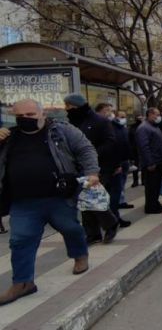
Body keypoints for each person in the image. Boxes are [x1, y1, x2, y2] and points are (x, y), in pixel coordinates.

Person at [0, 99, 99, 306]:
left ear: (42, 114)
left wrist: (92, 172)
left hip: (59, 197)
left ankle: (80, 254)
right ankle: (23, 283)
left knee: (71, 228)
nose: (25, 119)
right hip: (23, 201)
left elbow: (85, 149)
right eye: (20, 116)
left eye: (30, 115)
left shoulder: (61, 131)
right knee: (20, 240)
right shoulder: (8, 137)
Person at [64, 94, 119, 244]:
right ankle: (93, 233)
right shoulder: (72, 122)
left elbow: (110, 142)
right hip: (78, 167)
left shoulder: (99, 121)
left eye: (69, 106)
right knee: (84, 201)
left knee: (94, 198)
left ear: (77, 106)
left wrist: (91, 154)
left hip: (99, 166)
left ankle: (110, 223)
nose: (66, 109)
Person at [95, 104, 132, 228]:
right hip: (104, 168)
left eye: (111, 111)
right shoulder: (97, 126)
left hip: (117, 165)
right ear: (99, 112)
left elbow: (119, 145)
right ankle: (107, 221)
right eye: (107, 111)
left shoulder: (114, 126)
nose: (110, 114)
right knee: (104, 197)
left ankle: (115, 218)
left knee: (115, 195)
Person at [135, 108, 162, 214]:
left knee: (156, 185)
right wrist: (150, 162)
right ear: (149, 114)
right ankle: (151, 207)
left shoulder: (153, 126)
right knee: (151, 186)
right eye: (157, 115)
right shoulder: (143, 128)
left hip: (159, 161)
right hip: (152, 163)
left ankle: (155, 203)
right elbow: (144, 147)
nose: (159, 117)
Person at [115, 111, 135, 210]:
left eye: (125, 116)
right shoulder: (113, 129)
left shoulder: (125, 129)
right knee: (118, 183)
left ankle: (121, 201)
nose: (124, 119)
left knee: (123, 182)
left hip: (125, 159)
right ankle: (118, 201)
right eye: (121, 117)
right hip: (118, 160)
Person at [128, 115, 144, 187]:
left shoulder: (144, 126)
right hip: (135, 149)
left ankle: (144, 180)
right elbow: (130, 138)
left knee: (144, 165)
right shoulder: (132, 127)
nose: (140, 118)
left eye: (141, 117)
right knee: (135, 166)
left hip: (143, 148)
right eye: (138, 117)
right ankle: (135, 181)